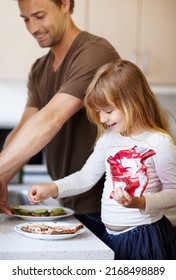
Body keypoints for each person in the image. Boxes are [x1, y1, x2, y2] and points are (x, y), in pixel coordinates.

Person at [28, 59, 176, 260]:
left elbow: (173, 193)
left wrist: (140, 202)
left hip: (145, 239)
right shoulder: (109, 139)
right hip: (111, 239)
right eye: (99, 112)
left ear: (133, 101)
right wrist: (52, 188)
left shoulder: (159, 142)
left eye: (108, 111)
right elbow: (86, 177)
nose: (103, 119)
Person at [0, 0, 120, 239]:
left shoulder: (94, 53)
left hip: (105, 208)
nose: (32, 28)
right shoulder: (39, 69)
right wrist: (4, 176)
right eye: (25, 19)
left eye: (39, 16)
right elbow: (25, 127)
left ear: (65, 4)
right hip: (67, 203)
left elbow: (51, 118)